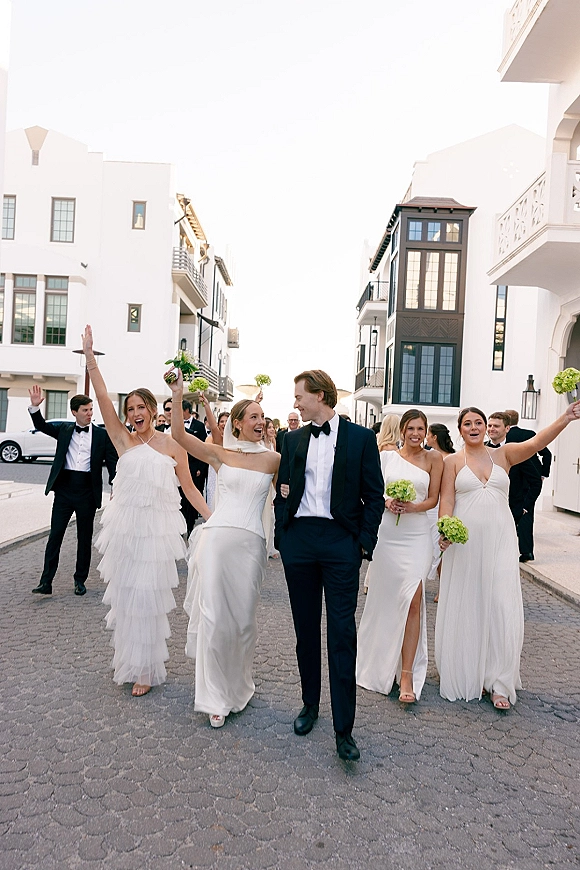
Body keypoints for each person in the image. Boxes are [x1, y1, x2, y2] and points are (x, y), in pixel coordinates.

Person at [81, 325, 210, 697]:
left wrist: (212, 517)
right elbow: (103, 397)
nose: (135, 413)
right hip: (125, 534)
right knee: (125, 600)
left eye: (141, 408)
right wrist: (90, 357)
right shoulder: (121, 439)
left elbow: (188, 488)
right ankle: (129, 662)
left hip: (155, 537)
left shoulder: (173, 445)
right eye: (130, 409)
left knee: (147, 602)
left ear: (154, 410)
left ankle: (146, 671)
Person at [435, 402, 580, 710]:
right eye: (467, 424)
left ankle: (499, 681)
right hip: (467, 544)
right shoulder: (452, 462)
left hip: (501, 540)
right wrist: (445, 528)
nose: (473, 427)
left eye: (478, 422)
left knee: (501, 605)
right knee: (470, 603)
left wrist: (565, 418)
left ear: (486, 427)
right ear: (460, 430)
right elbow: (446, 498)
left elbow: (536, 443)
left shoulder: (503, 454)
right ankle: (469, 672)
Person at [274, 370, 384, 762]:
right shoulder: (292, 439)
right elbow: (281, 491)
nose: (296, 403)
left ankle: (344, 730)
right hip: (300, 542)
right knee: (306, 631)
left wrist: (361, 545)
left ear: (320, 396)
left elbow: (375, 496)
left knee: (341, 635)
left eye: (300, 396)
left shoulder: (361, 438)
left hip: (341, 544)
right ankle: (309, 706)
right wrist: (282, 536)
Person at [168, 371, 280, 728]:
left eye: (263, 417)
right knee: (215, 618)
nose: (260, 422)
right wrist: (177, 394)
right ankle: (214, 696)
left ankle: (238, 686)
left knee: (243, 623)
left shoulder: (273, 461)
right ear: (237, 423)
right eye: (254, 417)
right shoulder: (221, 454)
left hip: (250, 544)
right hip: (217, 539)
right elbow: (179, 436)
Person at [356, 410, 443, 704]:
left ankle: (406, 674)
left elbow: (433, 498)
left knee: (414, 600)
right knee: (384, 600)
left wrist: (413, 507)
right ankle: (379, 663)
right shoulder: (386, 458)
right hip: (388, 537)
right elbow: (371, 491)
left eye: (421, 429)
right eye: (411, 428)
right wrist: (387, 502)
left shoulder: (435, 460)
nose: (416, 434)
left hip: (417, 536)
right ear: (403, 430)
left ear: (426, 431)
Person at [28, 387, 117, 597]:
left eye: (91, 409)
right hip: (64, 491)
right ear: (74, 412)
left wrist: (116, 485)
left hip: (87, 492)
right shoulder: (64, 429)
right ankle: (46, 581)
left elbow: (113, 462)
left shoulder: (102, 435)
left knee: (84, 538)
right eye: (85, 410)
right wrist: (34, 407)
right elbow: (41, 425)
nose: (89, 413)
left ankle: (80, 580)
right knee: (55, 535)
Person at [504, 409, 552, 563]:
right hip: (531, 480)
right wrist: (543, 474)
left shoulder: (505, 437)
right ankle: (527, 551)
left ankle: (509, 548)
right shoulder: (529, 434)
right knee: (527, 513)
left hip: (512, 480)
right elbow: (547, 454)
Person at [425, 423, 455, 601]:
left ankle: (444, 588)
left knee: (440, 549)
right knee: (430, 547)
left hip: (442, 505)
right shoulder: (428, 456)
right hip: (429, 506)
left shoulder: (450, 458)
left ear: (434, 437)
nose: (426, 438)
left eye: (428, 434)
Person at [181, 398, 209, 536]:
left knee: (192, 496)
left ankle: (190, 525)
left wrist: (200, 468)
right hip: (180, 465)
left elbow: (203, 448)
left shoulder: (198, 426)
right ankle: (181, 524)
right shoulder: (176, 425)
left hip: (195, 467)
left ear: (186, 410)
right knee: (180, 497)